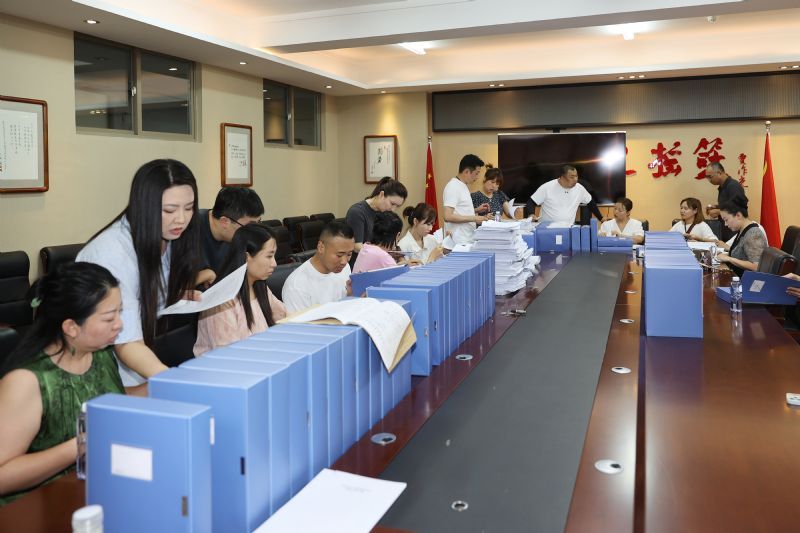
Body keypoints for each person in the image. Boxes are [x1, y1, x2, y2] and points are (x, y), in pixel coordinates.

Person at [0, 262, 125, 505]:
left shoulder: (99, 353)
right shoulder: (26, 381)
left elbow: (104, 398)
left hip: (88, 490)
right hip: (34, 507)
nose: (119, 324)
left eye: (120, 312)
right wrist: (81, 444)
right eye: (110, 317)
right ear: (71, 327)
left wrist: (158, 386)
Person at [76, 159, 202, 387]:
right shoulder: (112, 253)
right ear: (144, 206)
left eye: (189, 208)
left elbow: (142, 296)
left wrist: (171, 296)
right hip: (94, 370)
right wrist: (173, 381)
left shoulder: (167, 237)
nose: (181, 219)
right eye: (169, 210)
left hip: (134, 360)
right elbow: (126, 341)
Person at [194, 224, 287, 356]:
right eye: (269, 256)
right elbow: (228, 356)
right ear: (246, 257)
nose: (274, 264)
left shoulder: (260, 287)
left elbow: (286, 317)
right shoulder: (222, 301)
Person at [196, 187, 265, 286]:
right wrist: (205, 275)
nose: (254, 232)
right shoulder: (188, 229)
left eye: (258, 222)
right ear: (225, 222)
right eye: (250, 226)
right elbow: (173, 282)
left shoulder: (238, 236)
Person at [282, 221, 355, 313]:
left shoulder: (344, 267)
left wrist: (351, 296)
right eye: (339, 255)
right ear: (321, 247)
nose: (344, 261)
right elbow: (299, 322)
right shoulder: (297, 286)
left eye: (349, 254)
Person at [345, 177, 408, 254]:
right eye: (392, 204)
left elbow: (391, 244)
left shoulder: (386, 215)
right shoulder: (357, 212)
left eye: (397, 206)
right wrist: (382, 254)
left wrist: (401, 258)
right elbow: (356, 246)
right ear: (381, 194)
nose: (393, 209)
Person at [443, 154, 491, 245]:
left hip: (467, 239)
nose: (477, 177)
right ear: (467, 171)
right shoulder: (453, 186)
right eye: (476, 173)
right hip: (457, 242)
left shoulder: (463, 185)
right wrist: (474, 218)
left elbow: (459, 211)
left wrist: (476, 210)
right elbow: (448, 216)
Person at [714, 198, 767, 277]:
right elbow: (742, 255)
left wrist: (729, 259)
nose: (725, 224)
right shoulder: (742, 230)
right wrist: (725, 255)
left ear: (738, 215)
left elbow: (757, 266)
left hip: (745, 281)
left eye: (726, 220)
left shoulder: (754, 234)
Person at [528, 165, 592, 225]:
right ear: (562, 178)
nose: (575, 179)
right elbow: (531, 202)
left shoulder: (579, 188)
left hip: (568, 228)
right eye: (572, 177)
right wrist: (531, 214)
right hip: (547, 228)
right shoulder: (547, 187)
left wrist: (599, 218)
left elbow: (591, 202)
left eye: (576, 176)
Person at [704, 162, 748, 241]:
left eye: (710, 177)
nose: (709, 180)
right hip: (726, 228)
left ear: (719, 173)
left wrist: (718, 212)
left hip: (734, 230)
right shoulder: (722, 187)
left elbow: (740, 207)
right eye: (707, 177)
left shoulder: (733, 186)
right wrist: (716, 207)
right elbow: (729, 204)